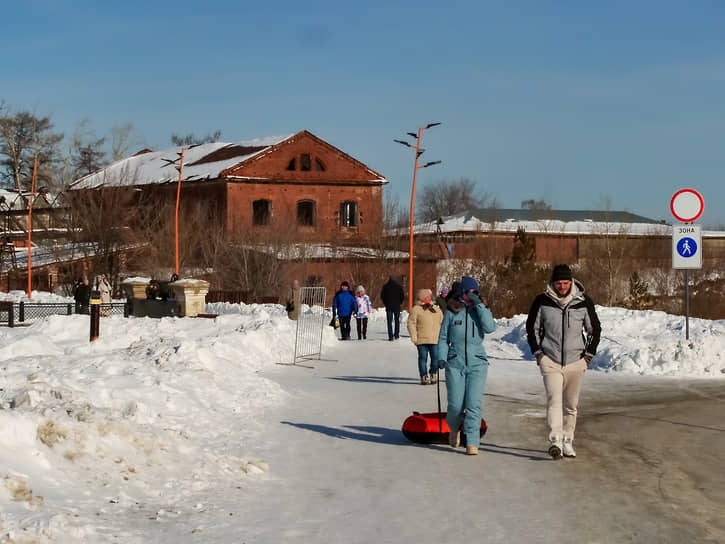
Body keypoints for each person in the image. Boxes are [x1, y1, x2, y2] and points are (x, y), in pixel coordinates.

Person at [526, 264, 601, 460]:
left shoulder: (583, 302)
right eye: (558, 283)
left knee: (570, 405)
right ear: (553, 283)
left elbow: (595, 330)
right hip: (550, 360)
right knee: (554, 400)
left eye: (566, 283)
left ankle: (568, 440)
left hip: (576, 361)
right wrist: (539, 354)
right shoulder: (541, 301)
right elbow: (531, 328)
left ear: (572, 282)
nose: (562, 287)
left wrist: (588, 356)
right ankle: (555, 440)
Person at [437, 276, 496, 455]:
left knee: (473, 404)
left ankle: (472, 442)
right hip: (455, 362)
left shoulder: (481, 310)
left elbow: (490, 327)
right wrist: (441, 357)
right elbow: (442, 338)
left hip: (477, 362)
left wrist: (479, 305)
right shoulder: (451, 311)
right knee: (455, 405)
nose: (471, 295)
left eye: (474, 292)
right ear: (462, 293)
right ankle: (454, 428)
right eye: (468, 292)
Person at [407, 288, 444, 385]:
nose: (429, 298)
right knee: (423, 358)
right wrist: (414, 337)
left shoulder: (436, 309)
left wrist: (443, 336)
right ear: (422, 298)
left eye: (429, 296)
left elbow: (442, 322)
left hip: (434, 339)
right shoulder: (416, 309)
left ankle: (433, 373)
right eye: (427, 296)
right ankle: (423, 376)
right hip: (421, 339)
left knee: (435, 358)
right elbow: (411, 324)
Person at [380, 275, 405, 341]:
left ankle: (390, 336)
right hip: (397, 306)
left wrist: (386, 303)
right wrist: (399, 302)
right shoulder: (399, 287)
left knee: (389, 322)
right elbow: (402, 296)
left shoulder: (385, 287)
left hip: (389, 306)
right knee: (397, 321)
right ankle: (396, 335)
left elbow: (382, 296)